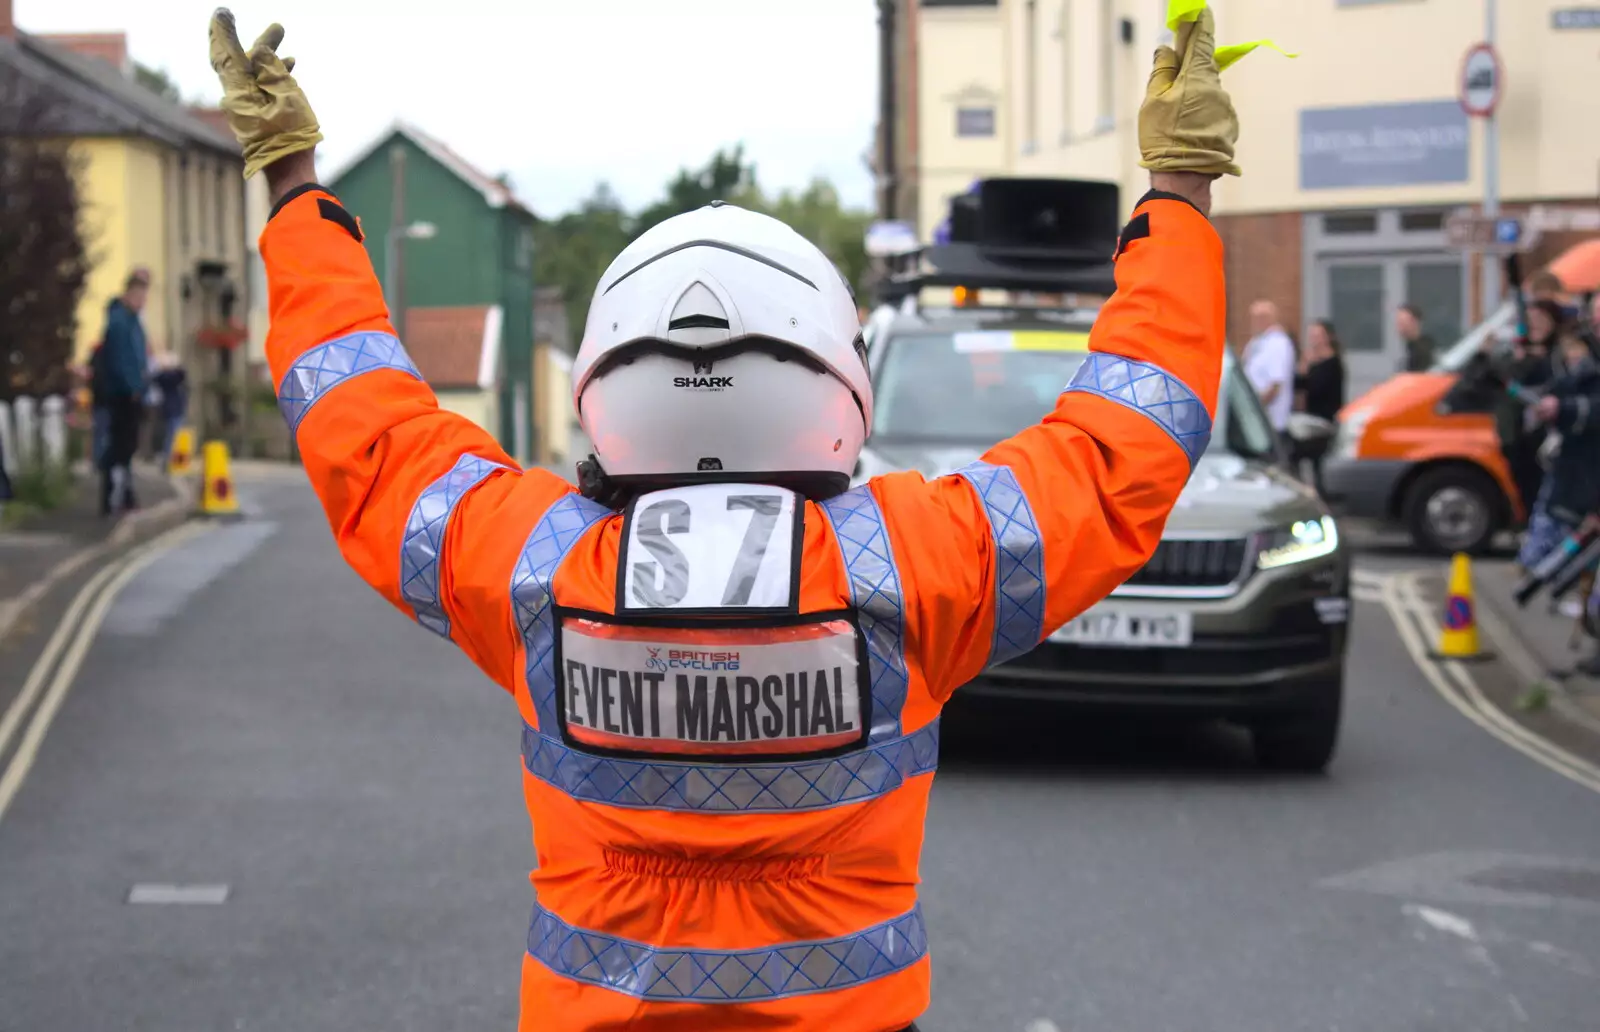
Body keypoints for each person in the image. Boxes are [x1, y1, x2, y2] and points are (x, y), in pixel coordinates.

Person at [210, 8, 1235, 1030]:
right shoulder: (920, 565)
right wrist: (1177, 189)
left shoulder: (531, 567)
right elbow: (1121, 443)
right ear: (835, 379)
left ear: (606, 384)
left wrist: (293, 184)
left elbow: (363, 427)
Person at [99, 269, 151, 515]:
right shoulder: (120, 321)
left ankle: (124, 495)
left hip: (132, 391)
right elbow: (121, 360)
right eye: (141, 295)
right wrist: (133, 388)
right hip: (123, 394)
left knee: (126, 447)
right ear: (130, 293)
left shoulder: (132, 321)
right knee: (121, 446)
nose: (144, 301)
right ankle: (113, 496)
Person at [1292, 319, 1346, 493]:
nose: (1314, 340)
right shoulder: (1312, 362)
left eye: (1317, 335)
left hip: (1324, 420)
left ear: (1327, 338)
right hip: (1310, 419)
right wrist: (1303, 367)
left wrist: (1309, 368)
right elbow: (1299, 386)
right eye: (1311, 336)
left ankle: (1316, 491)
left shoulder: (1332, 363)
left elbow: (1317, 389)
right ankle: (1312, 489)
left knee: (1298, 453)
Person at [1242, 299, 1296, 445]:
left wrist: (1254, 409)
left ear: (1267, 319)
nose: (1252, 323)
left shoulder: (1277, 344)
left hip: (1270, 423)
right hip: (1256, 423)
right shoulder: (1257, 342)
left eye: (1256, 318)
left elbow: (1275, 386)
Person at [150, 351, 189, 466]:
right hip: (173, 409)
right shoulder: (168, 377)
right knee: (172, 435)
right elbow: (181, 374)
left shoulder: (163, 377)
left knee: (171, 434)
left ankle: (168, 458)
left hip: (171, 409)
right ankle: (168, 459)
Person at [1396, 303, 1436, 373]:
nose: (1400, 326)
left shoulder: (1423, 350)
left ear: (1415, 322)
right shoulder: (1409, 347)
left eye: (1403, 322)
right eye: (1399, 322)